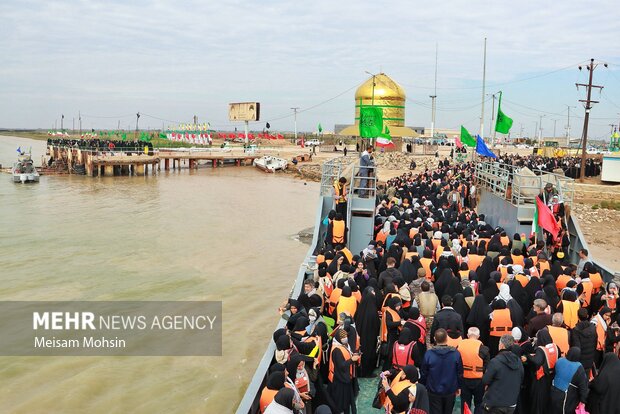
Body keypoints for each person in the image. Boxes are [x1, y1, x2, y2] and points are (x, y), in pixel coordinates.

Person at [420, 329, 463, 414]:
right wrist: (459, 386)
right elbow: (460, 372)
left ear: (435, 339)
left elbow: (424, 373)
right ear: (447, 338)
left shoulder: (429, 354)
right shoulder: (455, 354)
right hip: (450, 389)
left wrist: (423, 385)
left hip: (433, 390)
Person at [481, 334, 524, 414]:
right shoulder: (518, 361)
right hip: (511, 403)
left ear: (501, 345)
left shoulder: (495, 361)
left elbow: (485, 380)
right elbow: (521, 378)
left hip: (495, 404)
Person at [458, 327, 490, 414]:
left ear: (468, 335)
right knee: (479, 404)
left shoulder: (460, 346)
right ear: (478, 336)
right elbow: (487, 367)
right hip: (479, 381)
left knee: (465, 404)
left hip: (464, 379)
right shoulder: (484, 349)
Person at [328, 329, 360, 414]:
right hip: (340, 380)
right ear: (338, 338)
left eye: (346, 336)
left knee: (346, 401)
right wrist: (352, 360)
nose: (345, 338)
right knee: (342, 402)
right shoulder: (336, 350)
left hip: (344, 377)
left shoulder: (342, 346)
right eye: (343, 337)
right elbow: (341, 365)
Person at [550, 347, 588, 414]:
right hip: (565, 397)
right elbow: (583, 387)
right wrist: (583, 401)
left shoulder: (560, 360)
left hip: (553, 392)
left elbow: (554, 374)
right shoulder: (578, 368)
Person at [355, 286, 380, 377]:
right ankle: (367, 372)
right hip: (370, 338)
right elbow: (377, 325)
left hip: (360, 336)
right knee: (369, 354)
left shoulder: (361, 307)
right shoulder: (373, 312)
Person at [569, 308, 597, 377]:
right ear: (587, 316)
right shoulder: (593, 328)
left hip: (580, 361)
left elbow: (576, 347)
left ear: (578, 316)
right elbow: (595, 343)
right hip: (590, 359)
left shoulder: (575, 331)